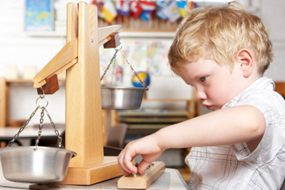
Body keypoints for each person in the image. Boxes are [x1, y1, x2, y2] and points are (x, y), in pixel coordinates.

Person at [118, 1, 285, 189]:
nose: (198, 94)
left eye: (203, 79)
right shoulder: (227, 114)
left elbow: (250, 122)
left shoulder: (267, 101)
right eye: (192, 85)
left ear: (244, 63)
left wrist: (159, 140)